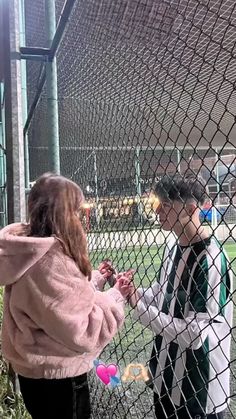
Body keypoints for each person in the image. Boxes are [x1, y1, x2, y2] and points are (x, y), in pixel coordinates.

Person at [0, 173, 130, 419]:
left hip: (35, 374)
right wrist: (115, 296)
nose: (79, 218)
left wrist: (93, 281)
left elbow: (55, 304)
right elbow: (82, 330)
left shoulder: (27, 250)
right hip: (59, 379)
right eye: (76, 210)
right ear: (64, 213)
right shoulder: (51, 261)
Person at [125, 173, 233, 419]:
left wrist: (138, 307)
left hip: (199, 389)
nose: (157, 211)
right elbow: (162, 292)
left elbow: (194, 336)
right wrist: (131, 291)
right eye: (157, 204)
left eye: (165, 205)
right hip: (166, 378)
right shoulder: (172, 246)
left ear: (191, 208)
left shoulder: (210, 259)